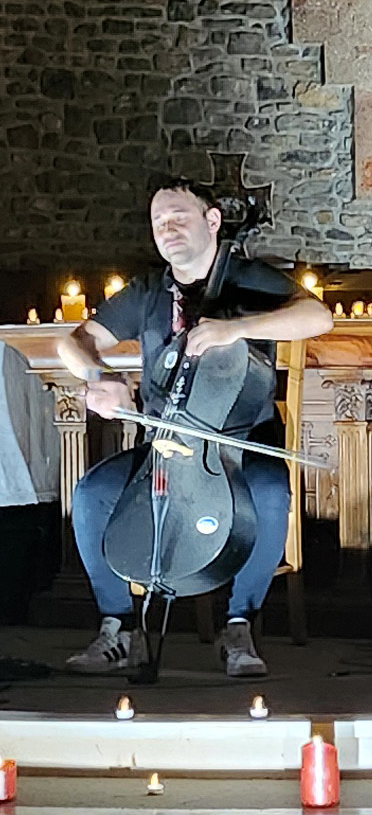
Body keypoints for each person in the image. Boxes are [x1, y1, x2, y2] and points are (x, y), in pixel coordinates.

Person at [58, 178, 333, 677]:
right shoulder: (147, 292)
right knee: (92, 495)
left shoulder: (247, 280)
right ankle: (120, 628)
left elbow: (318, 317)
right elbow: (72, 343)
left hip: (240, 447)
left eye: (179, 218)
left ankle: (238, 625)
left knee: (271, 493)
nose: (168, 229)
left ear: (212, 221)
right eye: (159, 222)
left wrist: (237, 328)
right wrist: (101, 378)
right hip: (162, 448)